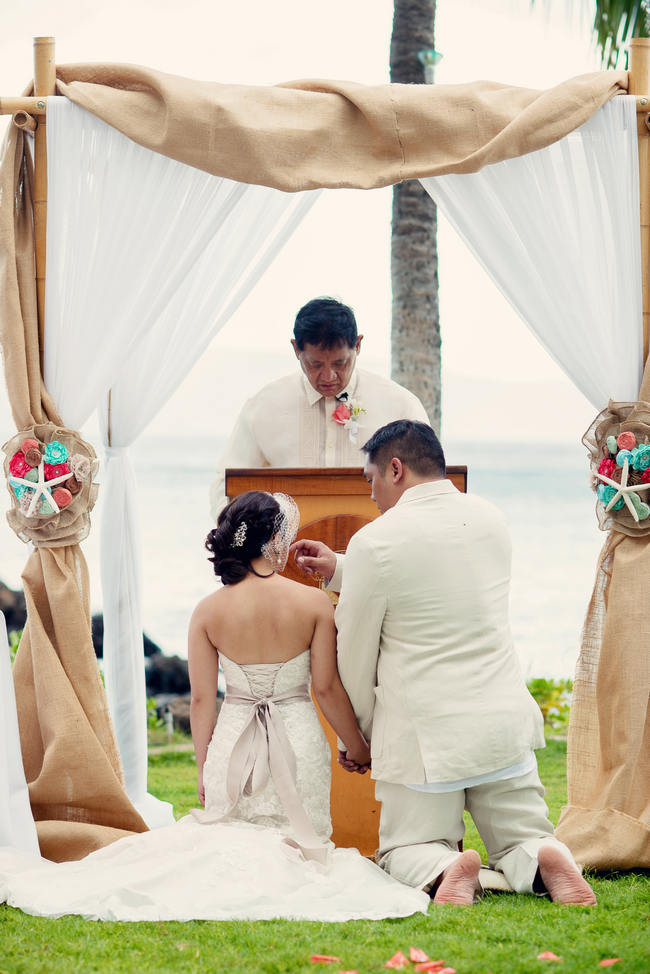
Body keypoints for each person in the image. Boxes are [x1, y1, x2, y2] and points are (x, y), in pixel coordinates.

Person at [0, 490, 428, 923]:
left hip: (232, 743)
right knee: (301, 848)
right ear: (273, 540)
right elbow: (327, 687)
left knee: (227, 841)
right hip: (296, 742)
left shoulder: (207, 612)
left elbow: (203, 700)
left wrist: (206, 767)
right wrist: (357, 746)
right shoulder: (314, 602)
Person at [291, 420, 597, 907]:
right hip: (501, 724)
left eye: (370, 479)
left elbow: (353, 657)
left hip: (424, 738)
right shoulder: (489, 518)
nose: (370, 495)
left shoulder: (378, 540)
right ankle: (543, 854)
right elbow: (438, 582)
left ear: (396, 469)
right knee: (521, 833)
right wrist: (343, 567)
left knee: (406, 846)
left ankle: (443, 865)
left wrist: (367, 740)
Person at [208, 297, 429, 519]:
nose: (328, 377)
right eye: (315, 365)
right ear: (296, 349)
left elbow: (428, 486)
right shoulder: (262, 406)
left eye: (340, 363)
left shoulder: (400, 405)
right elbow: (225, 486)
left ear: (358, 346)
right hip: (287, 548)